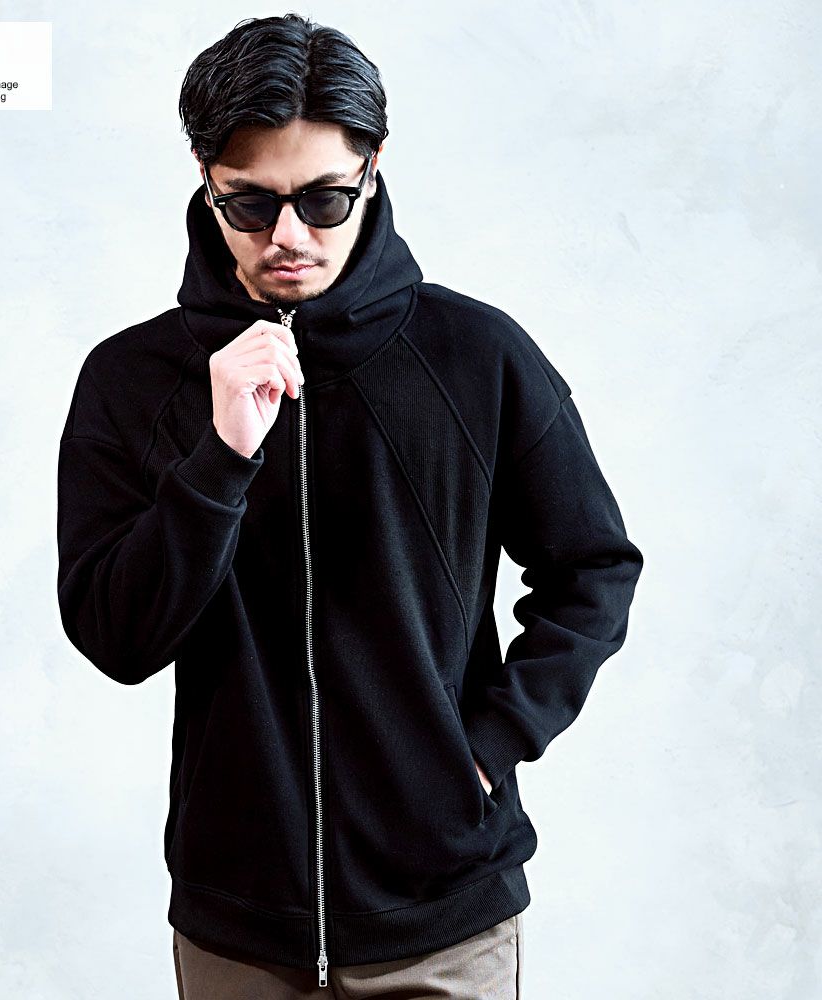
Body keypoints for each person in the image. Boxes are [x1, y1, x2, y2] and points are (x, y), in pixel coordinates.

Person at [56, 13, 644, 999]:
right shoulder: (133, 380)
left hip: (443, 914)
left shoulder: (476, 357)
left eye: (324, 199)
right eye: (250, 204)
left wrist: (485, 747)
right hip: (239, 924)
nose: (288, 237)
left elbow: (593, 568)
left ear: (373, 168)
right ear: (204, 177)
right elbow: (116, 635)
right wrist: (220, 458)